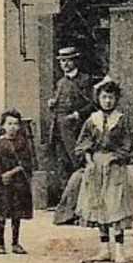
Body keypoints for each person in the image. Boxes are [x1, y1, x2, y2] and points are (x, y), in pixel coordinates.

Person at [75, 77, 133, 263]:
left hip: (114, 167)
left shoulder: (121, 120)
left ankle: (119, 250)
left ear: (116, 99)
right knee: (99, 205)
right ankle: (104, 249)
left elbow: (128, 145)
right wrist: (88, 159)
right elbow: (83, 143)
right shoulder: (92, 120)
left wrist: (115, 157)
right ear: (98, 98)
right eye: (104, 97)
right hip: (95, 167)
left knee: (115, 206)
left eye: (111, 97)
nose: (107, 101)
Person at [0, 110, 36, 255]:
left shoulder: (23, 143)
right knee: (1, 213)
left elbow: (26, 162)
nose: (13, 127)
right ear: (3, 125)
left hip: (18, 181)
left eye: (15, 124)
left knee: (16, 213)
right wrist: (2, 175)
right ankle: (0, 243)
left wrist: (11, 173)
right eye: (9, 123)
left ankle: (15, 243)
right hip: (2, 183)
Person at [47, 46, 95, 191]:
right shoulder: (61, 82)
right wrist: (52, 103)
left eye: (68, 60)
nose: (65, 64)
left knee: (78, 161)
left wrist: (77, 115)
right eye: (62, 61)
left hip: (76, 129)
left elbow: (93, 104)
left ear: (75, 61)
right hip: (58, 129)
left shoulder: (85, 80)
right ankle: (66, 199)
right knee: (63, 164)